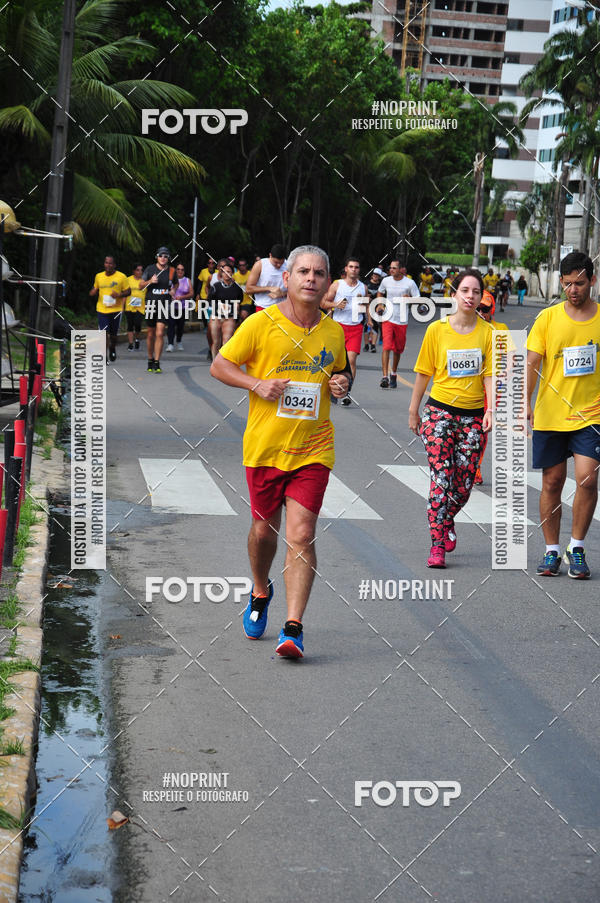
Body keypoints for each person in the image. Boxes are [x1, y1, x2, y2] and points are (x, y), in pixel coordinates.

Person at [210, 245, 351, 658]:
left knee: (303, 534)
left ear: (327, 283)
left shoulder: (333, 331)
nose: (311, 278)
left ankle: (293, 627)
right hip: (265, 448)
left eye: (319, 273)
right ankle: (259, 589)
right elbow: (220, 365)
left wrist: (340, 384)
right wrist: (256, 384)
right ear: (286, 279)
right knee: (263, 531)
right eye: (303, 271)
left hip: (313, 447)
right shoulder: (261, 323)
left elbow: (340, 372)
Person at [408, 268, 493, 568]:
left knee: (464, 483)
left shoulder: (489, 333)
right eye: (465, 290)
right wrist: (413, 409)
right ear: (454, 294)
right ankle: (436, 545)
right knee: (441, 478)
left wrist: (491, 409)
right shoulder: (437, 330)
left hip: (472, 416)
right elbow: (423, 372)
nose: (470, 296)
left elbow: (490, 376)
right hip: (439, 413)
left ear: (482, 296)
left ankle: (446, 519)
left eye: (476, 292)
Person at [527, 250, 600, 579]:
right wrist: (523, 406)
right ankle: (552, 551)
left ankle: (578, 547)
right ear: (561, 282)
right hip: (551, 414)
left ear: (592, 281)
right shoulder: (548, 318)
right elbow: (532, 363)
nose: (574, 290)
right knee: (552, 481)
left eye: (580, 283)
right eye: (568, 283)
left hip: (591, 415)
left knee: (587, 477)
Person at [321, 257, 371, 405]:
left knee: (351, 360)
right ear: (346, 269)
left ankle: (346, 392)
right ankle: (331, 388)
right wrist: (335, 305)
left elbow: (367, 305)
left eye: (356, 267)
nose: (354, 269)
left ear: (359, 270)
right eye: (351, 267)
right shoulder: (337, 285)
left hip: (355, 327)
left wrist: (369, 318)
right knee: (333, 360)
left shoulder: (363, 287)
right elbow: (323, 303)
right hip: (338, 327)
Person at [473, 290, 507, 484]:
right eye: (477, 308)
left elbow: (510, 358)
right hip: (468, 387)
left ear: (491, 309)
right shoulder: (467, 327)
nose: (480, 313)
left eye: (484, 309)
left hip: (492, 387)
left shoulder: (500, 329)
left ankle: (475, 465)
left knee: (482, 429)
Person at [376, 259, 419, 388]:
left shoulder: (409, 283)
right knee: (386, 347)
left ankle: (393, 373)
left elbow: (418, 298)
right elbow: (380, 292)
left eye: (394, 268)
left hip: (402, 319)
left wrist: (409, 299)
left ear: (400, 269)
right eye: (390, 268)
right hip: (388, 318)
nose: (391, 270)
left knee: (397, 350)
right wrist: (379, 304)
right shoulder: (386, 281)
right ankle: (384, 377)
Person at [140, 246, 178, 373]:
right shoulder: (150, 269)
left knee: (160, 333)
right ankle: (150, 359)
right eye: (161, 255)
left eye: (165, 256)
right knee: (150, 334)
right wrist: (150, 281)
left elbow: (176, 283)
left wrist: (173, 290)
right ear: (157, 256)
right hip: (151, 304)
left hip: (164, 305)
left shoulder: (172, 271)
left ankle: (157, 362)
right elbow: (140, 285)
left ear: (169, 258)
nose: (163, 258)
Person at [89, 255, 130, 362]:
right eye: (106, 262)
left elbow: (128, 291)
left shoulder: (121, 277)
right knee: (104, 333)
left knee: (113, 335)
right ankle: (104, 356)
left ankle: (112, 348)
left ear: (114, 265)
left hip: (116, 310)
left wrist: (119, 295)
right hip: (102, 309)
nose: (108, 265)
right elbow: (95, 288)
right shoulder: (99, 276)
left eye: (110, 263)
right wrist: (92, 292)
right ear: (104, 264)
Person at [207, 261, 243, 358]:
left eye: (229, 271)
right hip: (216, 316)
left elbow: (239, 301)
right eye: (225, 271)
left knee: (226, 341)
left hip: (230, 317)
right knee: (216, 341)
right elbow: (209, 300)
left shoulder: (237, 288)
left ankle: (223, 362)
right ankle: (215, 361)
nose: (227, 274)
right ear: (221, 273)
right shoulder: (216, 286)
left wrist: (236, 310)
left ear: (232, 273)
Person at [246, 244, 287, 312]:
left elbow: (295, 289)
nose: (279, 265)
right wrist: (269, 288)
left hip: (283, 308)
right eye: (276, 262)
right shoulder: (260, 265)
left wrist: (282, 294)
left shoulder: (289, 265)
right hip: (263, 307)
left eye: (281, 263)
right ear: (270, 255)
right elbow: (248, 289)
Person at [167, 263, 193, 351]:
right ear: (175, 270)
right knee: (171, 325)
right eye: (178, 269)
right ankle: (170, 344)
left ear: (184, 271)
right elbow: (164, 290)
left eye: (182, 269)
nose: (180, 271)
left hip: (183, 306)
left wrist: (181, 297)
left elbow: (191, 293)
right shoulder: (170, 280)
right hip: (171, 306)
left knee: (180, 326)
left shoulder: (187, 280)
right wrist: (170, 295)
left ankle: (179, 341)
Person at [125, 263, 145, 351]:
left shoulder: (144, 281)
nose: (140, 272)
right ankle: (130, 344)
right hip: (129, 306)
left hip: (140, 307)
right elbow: (125, 293)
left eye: (141, 270)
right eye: (138, 270)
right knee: (130, 325)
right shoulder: (128, 280)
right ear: (134, 271)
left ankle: (136, 339)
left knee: (137, 324)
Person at [364, 267, 384, 352]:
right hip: (367, 307)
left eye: (378, 275)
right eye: (375, 274)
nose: (376, 276)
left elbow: (383, 297)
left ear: (380, 277)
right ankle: (366, 345)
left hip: (376, 309)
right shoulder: (366, 284)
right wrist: (366, 298)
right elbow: (362, 296)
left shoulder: (381, 286)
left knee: (375, 326)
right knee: (366, 326)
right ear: (372, 275)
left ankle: (373, 345)